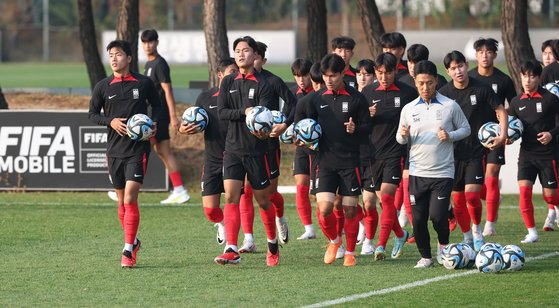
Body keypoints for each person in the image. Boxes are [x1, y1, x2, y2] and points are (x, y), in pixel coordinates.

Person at [89, 40, 162, 268]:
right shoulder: (103, 86)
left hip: (137, 149)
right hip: (114, 150)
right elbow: (92, 114)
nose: (113, 58)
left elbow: (158, 105)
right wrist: (109, 121)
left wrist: (155, 123)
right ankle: (134, 241)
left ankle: (128, 250)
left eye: (118, 54)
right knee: (121, 202)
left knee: (130, 198)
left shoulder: (144, 82)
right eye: (110, 54)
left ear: (129, 58)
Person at [396, 60, 471, 268]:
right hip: (417, 172)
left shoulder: (449, 105)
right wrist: (403, 135)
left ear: (436, 81)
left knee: (438, 216)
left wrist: (450, 135)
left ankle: (444, 247)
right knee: (418, 221)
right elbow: (400, 140)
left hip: (443, 172)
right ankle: (426, 257)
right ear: (415, 82)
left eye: (429, 83)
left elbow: (466, 129)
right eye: (421, 83)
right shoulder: (408, 109)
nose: (425, 88)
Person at [214, 36, 280, 267]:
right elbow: (222, 111)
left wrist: (261, 121)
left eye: (246, 50)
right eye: (238, 51)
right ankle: (231, 248)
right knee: (231, 196)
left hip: (256, 150)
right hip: (232, 149)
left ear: (255, 55)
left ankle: (272, 242)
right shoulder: (228, 82)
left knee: (263, 201)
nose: (241, 54)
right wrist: (244, 112)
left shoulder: (263, 84)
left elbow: (264, 116)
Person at [108, 29, 190, 204]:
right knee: (161, 151)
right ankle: (178, 189)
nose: (147, 46)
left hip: (156, 116)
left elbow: (167, 90)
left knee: (160, 151)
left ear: (157, 43)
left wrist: (173, 116)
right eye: (144, 42)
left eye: (151, 42)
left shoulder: (160, 64)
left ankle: (179, 189)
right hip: (149, 117)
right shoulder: (149, 64)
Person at [439, 51, 508, 251]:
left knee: (471, 195)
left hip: (476, 152)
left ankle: (477, 231)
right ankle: (467, 236)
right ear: (448, 71)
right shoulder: (444, 93)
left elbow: (501, 110)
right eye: (453, 68)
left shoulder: (482, 89)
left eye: (460, 66)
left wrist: (502, 135)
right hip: (452, 153)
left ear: (466, 64)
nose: (458, 71)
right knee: (458, 200)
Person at [307, 54, 370, 266]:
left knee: (350, 209)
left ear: (343, 73)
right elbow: (305, 124)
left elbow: (368, 128)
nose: (329, 80)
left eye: (333, 75)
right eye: (325, 76)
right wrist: (302, 139)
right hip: (324, 162)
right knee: (324, 209)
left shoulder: (356, 98)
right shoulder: (316, 98)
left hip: (350, 163)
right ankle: (335, 241)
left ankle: (350, 252)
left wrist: (356, 129)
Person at [236, 41, 296, 253]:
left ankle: (279, 215)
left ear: (260, 58)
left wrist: (283, 123)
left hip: (268, 144)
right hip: (243, 145)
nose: (253, 60)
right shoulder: (237, 81)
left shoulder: (271, 81)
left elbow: (292, 102)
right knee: (244, 191)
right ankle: (249, 239)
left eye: (257, 56)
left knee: (269, 194)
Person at [360, 52, 418, 259]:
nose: (384, 77)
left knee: (387, 198)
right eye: (380, 73)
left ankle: (380, 246)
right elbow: (358, 124)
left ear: (395, 71)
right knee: (372, 202)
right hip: (372, 155)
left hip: (396, 153)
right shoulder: (367, 92)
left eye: (388, 72)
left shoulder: (408, 93)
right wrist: (367, 116)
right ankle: (400, 234)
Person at [178, 58, 238, 246]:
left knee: (232, 200)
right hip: (212, 159)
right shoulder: (205, 98)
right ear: (220, 74)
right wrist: (184, 129)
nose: (235, 75)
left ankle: (235, 245)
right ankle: (221, 223)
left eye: (237, 71)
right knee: (210, 210)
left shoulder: (240, 97)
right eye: (231, 72)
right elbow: (189, 122)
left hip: (236, 157)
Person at [395, 43, 448, 238]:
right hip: (410, 142)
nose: (412, 66)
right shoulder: (402, 81)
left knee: (433, 201)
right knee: (407, 183)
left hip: (437, 148)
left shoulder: (439, 82)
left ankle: (445, 212)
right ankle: (410, 222)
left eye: (416, 62)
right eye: (410, 61)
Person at [468, 38, 517, 236]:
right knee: (477, 185)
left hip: (496, 136)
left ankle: (489, 224)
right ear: (476, 55)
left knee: (492, 174)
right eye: (481, 52)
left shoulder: (504, 80)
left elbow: (512, 107)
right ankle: (492, 196)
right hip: (472, 138)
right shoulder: (469, 78)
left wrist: (509, 131)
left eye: (489, 52)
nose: (485, 55)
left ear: (495, 55)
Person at [508, 59, 559, 243]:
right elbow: (511, 127)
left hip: (548, 155)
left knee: (551, 196)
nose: (527, 80)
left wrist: (551, 134)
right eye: (524, 76)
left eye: (532, 76)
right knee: (524, 191)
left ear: (538, 77)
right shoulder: (515, 102)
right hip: (527, 154)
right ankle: (532, 232)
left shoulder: (550, 99)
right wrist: (506, 138)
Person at [290, 58, 317, 240]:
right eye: (297, 76)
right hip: (300, 147)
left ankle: (360, 225)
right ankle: (309, 229)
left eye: (304, 76)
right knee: (301, 186)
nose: (301, 80)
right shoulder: (292, 95)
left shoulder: (319, 94)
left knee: (320, 193)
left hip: (318, 148)